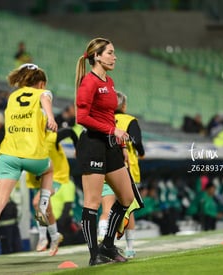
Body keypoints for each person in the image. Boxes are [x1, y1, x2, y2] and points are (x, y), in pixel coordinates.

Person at [0, 63, 58, 264]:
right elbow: (45, 99)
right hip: (33, 155)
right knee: (49, 170)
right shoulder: (42, 93)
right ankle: (42, 206)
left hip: (8, 154)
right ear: (40, 82)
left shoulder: (12, 97)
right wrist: (51, 117)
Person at [75, 37, 135, 266]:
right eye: (110, 53)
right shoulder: (88, 82)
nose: (114, 57)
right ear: (97, 56)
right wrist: (113, 130)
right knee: (92, 202)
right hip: (92, 144)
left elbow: (109, 117)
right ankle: (94, 256)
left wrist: (121, 146)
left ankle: (108, 245)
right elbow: (82, 118)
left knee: (127, 198)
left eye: (114, 52)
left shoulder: (108, 82)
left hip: (110, 144)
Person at [98, 91, 145, 258]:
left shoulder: (103, 120)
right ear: (124, 106)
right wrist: (141, 152)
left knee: (107, 207)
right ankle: (130, 248)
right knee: (128, 208)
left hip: (104, 167)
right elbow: (137, 140)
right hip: (126, 168)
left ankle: (101, 240)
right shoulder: (130, 120)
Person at [26, 128, 79, 255]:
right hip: (38, 179)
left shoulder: (51, 138)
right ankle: (55, 236)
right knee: (47, 210)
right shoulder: (26, 139)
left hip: (56, 176)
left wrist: (78, 148)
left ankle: (43, 238)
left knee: (37, 202)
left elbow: (69, 132)